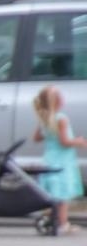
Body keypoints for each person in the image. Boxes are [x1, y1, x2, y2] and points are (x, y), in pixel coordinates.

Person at [32, 85, 86, 234]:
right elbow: (65, 142)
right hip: (63, 160)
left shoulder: (44, 118)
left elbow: (36, 138)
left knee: (53, 193)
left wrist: (49, 134)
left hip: (49, 158)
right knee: (62, 197)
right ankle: (63, 224)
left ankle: (51, 218)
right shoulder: (61, 118)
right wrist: (79, 141)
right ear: (56, 102)